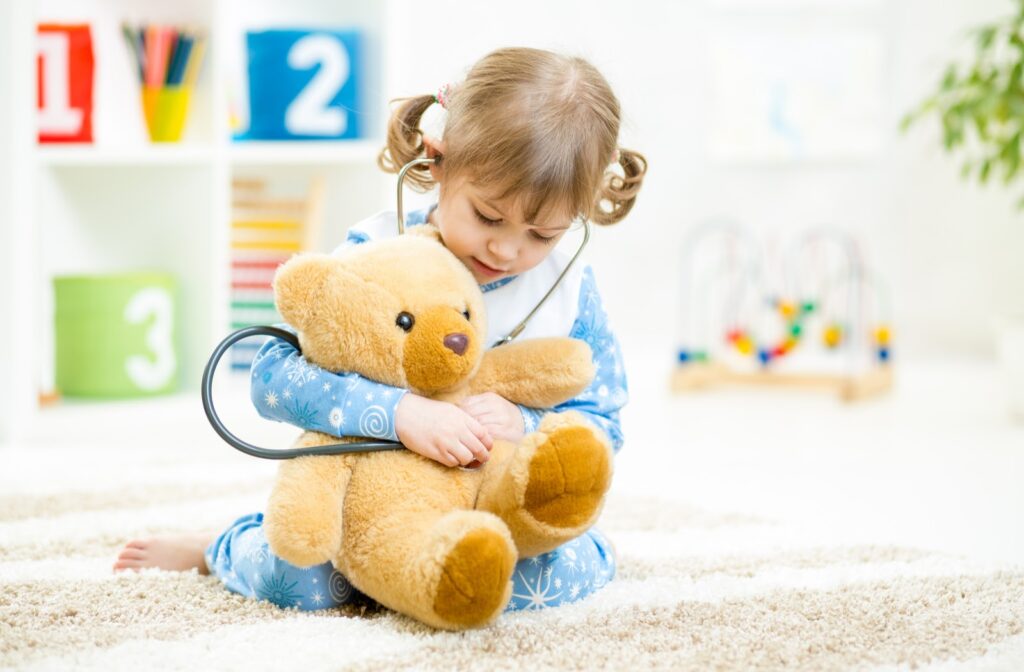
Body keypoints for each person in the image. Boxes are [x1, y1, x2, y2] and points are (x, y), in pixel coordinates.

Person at [115, 47, 646, 613]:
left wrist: (525, 422)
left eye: (543, 234)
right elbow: (272, 378)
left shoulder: (569, 288)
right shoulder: (376, 255)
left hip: (489, 503)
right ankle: (222, 546)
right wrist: (398, 413)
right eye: (488, 216)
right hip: (373, 499)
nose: (507, 248)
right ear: (436, 160)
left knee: (553, 574)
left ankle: (431, 573)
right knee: (304, 583)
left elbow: (603, 423)